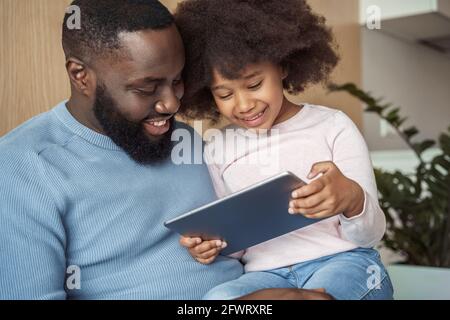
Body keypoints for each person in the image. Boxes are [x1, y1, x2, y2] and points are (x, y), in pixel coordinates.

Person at [0, 0, 332, 301]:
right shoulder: (23, 166)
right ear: (81, 76)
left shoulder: (185, 140)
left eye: (177, 81)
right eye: (146, 88)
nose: (172, 104)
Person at [175, 0, 394, 300]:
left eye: (254, 84)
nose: (243, 104)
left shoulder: (332, 126)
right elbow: (237, 245)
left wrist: (351, 198)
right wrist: (211, 244)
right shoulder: (219, 148)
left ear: (282, 65)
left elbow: (369, 235)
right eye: (224, 93)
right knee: (217, 300)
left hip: (343, 261)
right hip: (264, 275)